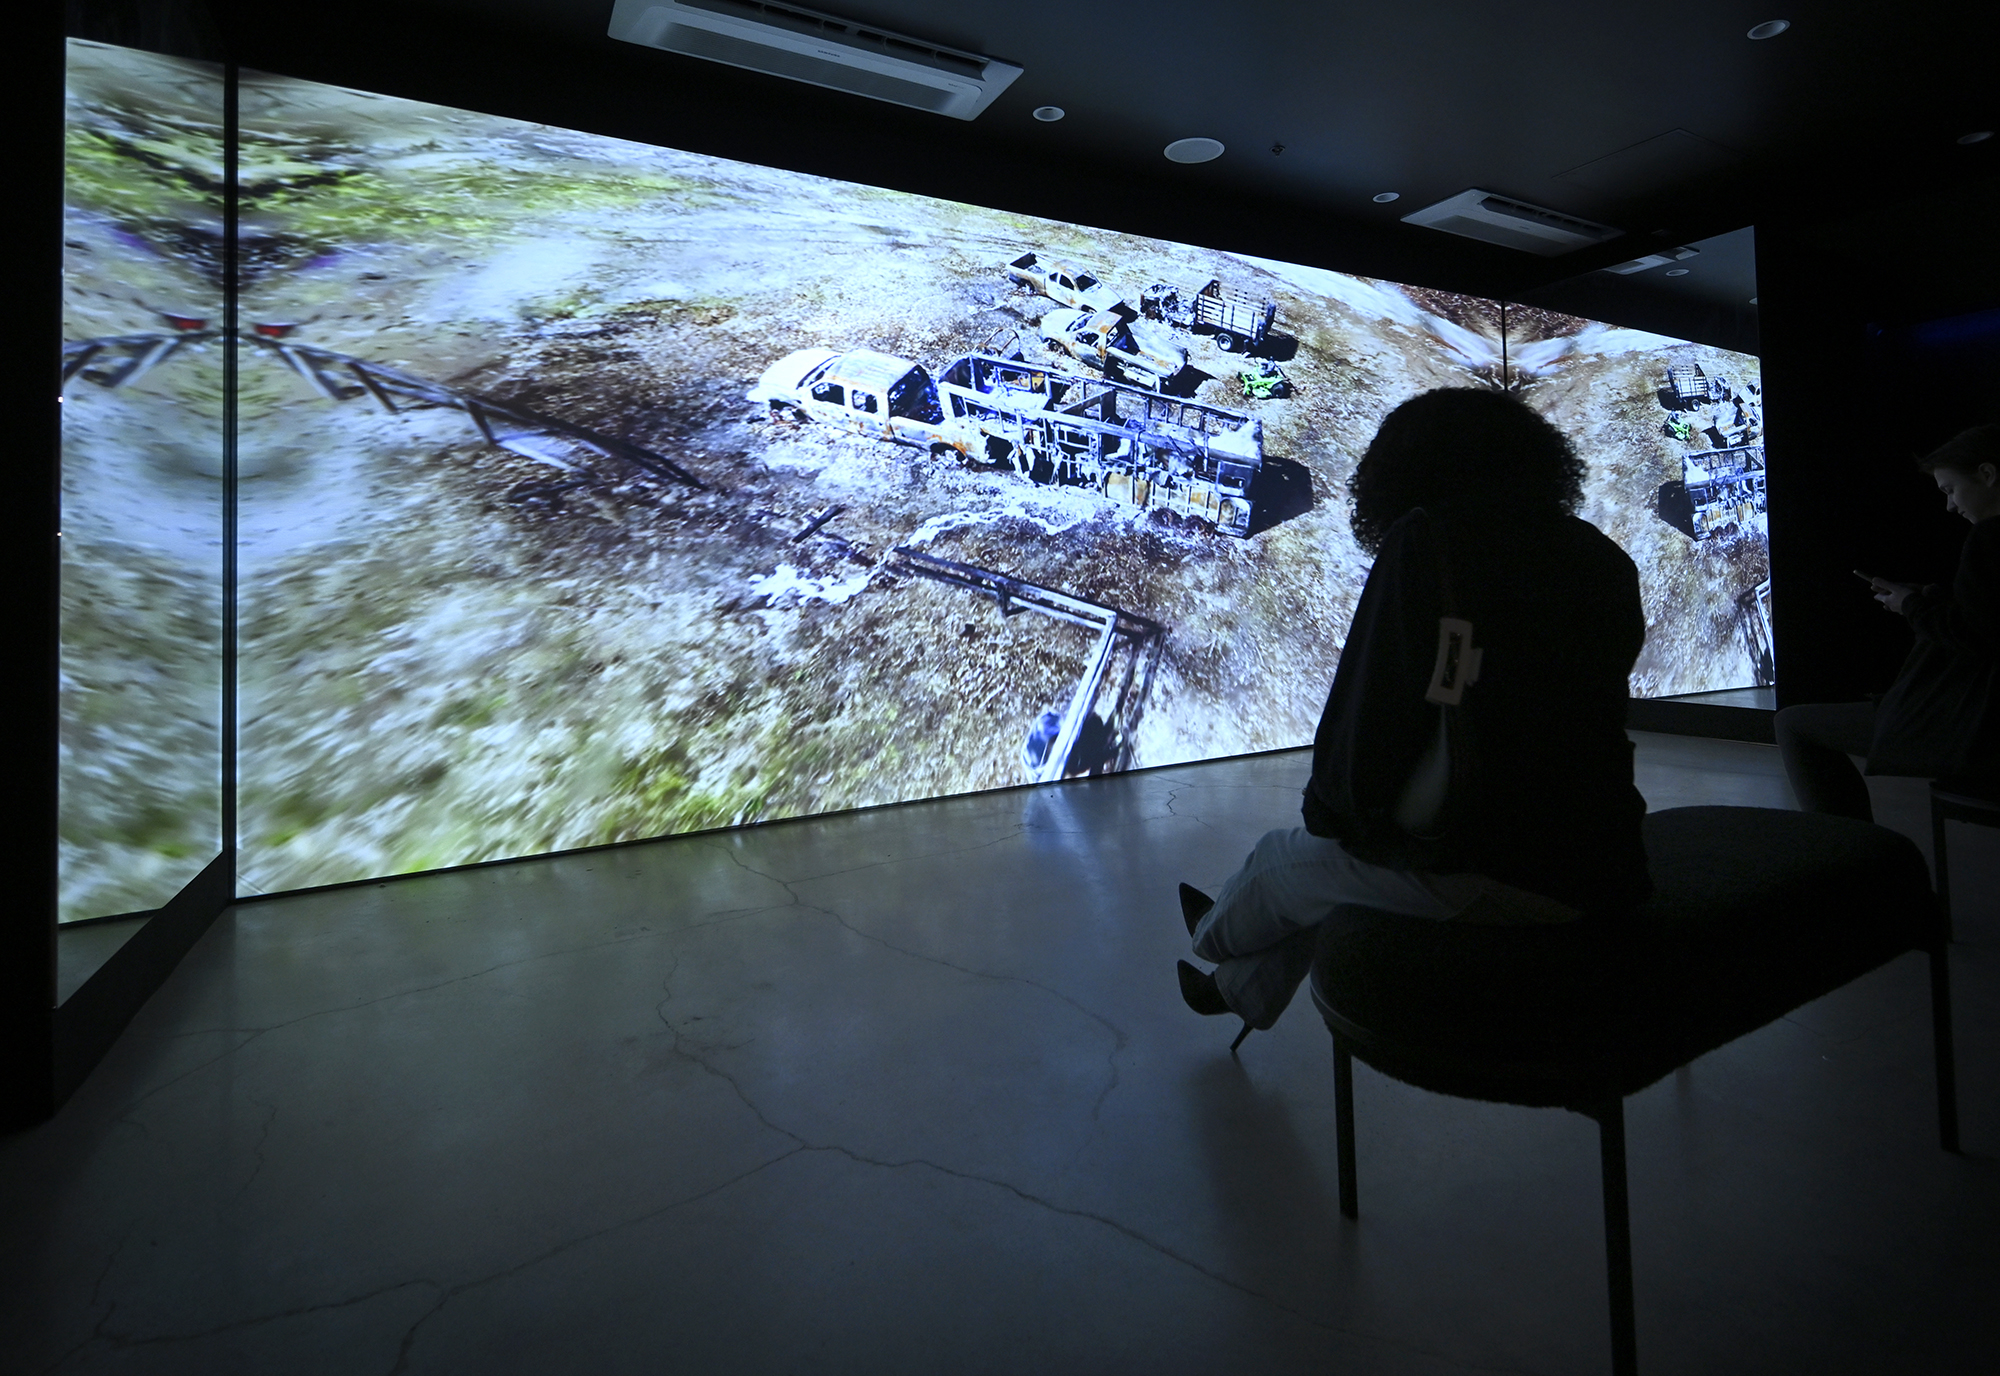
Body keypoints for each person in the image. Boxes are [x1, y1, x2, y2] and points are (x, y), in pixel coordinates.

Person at [1176, 388, 1651, 1040]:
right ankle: (1232, 992)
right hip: (1604, 859)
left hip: (1496, 869)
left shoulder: (1429, 542)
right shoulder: (1601, 556)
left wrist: (1335, 823)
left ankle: (1214, 938)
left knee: (1283, 863)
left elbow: (1367, 730)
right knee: (1320, 876)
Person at [1774, 424, 2000, 820]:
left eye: (1950, 490)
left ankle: (1849, 857)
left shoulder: (1990, 539)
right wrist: (1930, 599)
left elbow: (1977, 635)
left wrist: (1912, 606)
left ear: (1987, 474)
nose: (1949, 506)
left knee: (1792, 724)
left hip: (1974, 724)